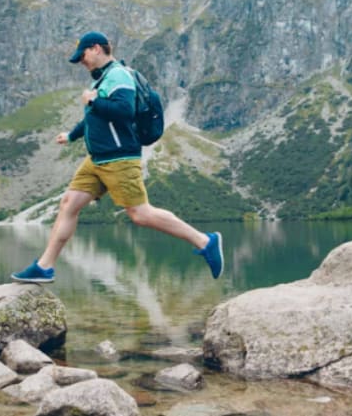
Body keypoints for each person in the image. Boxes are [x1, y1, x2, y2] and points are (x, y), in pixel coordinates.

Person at [11, 31, 224, 283]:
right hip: (96, 160)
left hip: (119, 158)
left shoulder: (119, 75)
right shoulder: (102, 81)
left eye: (82, 55)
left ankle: (205, 241)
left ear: (96, 48)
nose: (81, 61)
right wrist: (71, 135)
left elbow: (124, 110)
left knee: (140, 214)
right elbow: (94, 118)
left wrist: (93, 102)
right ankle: (44, 266)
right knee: (69, 203)